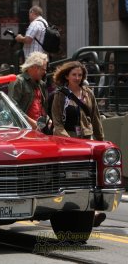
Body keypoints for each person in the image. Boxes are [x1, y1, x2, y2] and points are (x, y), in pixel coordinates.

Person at [51, 61, 106, 227]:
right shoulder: (60, 95)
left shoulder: (88, 93)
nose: (77, 77)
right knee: (73, 177)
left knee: (90, 178)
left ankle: (92, 212)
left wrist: (101, 142)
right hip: (70, 141)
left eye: (80, 75)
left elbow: (95, 118)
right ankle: (72, 210)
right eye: (74, 74)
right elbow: (57, 122)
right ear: (66, 76)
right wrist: (68, 141)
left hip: (87, 140)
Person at [8, 51, 49, 130]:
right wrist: (30, 122)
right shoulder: (18, 81)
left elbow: (42, 107)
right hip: (22, 129)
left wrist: (48, 119)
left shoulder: (41, 84)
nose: (45, 72)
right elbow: (12, 107)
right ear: (34, 67)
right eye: (43, 69)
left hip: (39, 129)